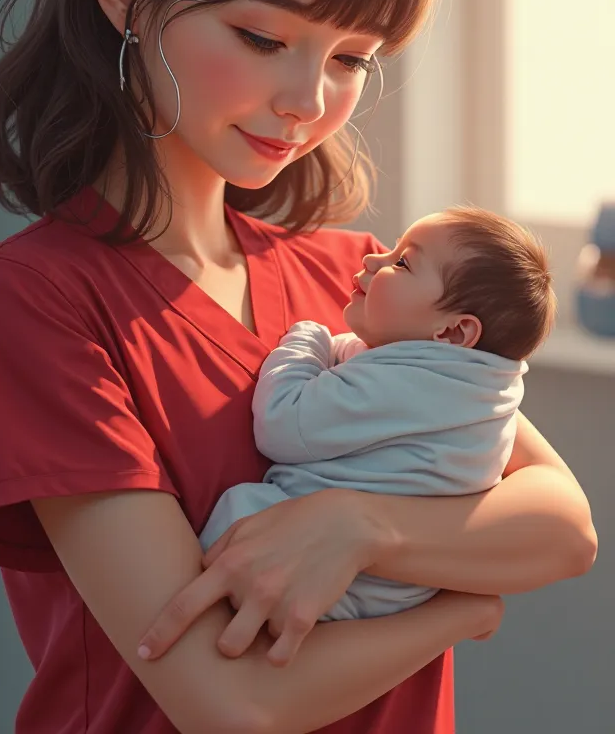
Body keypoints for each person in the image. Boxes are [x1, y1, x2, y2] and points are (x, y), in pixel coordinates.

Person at [0, 0, 596, 734]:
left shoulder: (358, 282)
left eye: (350, 58)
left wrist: (356, 525)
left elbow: (561, 526)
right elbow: (229, 697)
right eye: (261, 37)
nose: (307, 101)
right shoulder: (33, 303)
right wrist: (458, 602)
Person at [200, 206, 557, 622]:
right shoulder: (476, 384)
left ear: (453, 332)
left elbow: (282, 423)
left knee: (239, 515)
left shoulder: (413, 384)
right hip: (395, 586)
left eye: (402, 262)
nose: (374, 259)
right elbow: (358, 355)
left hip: (333, 580)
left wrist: (306, 338)